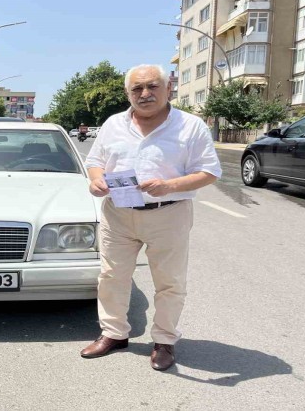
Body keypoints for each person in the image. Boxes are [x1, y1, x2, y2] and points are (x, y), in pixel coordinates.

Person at [80, 64, 222, 371]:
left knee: (169, 282)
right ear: (127, 93)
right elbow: (95, 162)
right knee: (111, 276)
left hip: (168, 214)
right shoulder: (113, 124)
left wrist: (169, 186)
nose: (145, 94)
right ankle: (114, 334)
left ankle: (164, 341)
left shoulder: (191, 126)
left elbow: (209, 172)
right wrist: (96, 181)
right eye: (137, 89)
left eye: (152, 87)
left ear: (168, 86)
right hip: (118, 213)